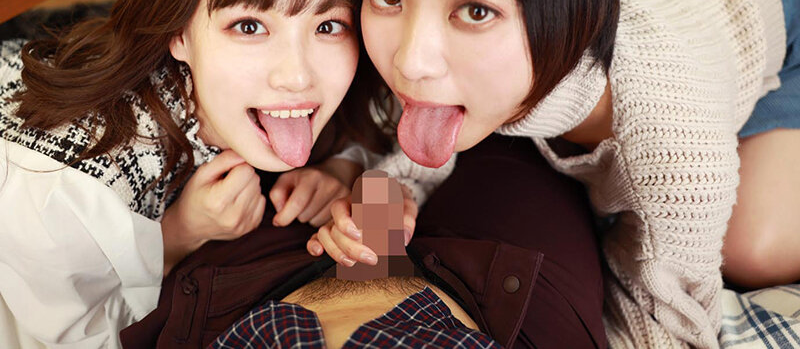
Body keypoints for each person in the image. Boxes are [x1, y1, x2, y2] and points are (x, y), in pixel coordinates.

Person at [308, 0, 800, 349]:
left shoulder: (674, 141)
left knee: (752, 250)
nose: (411, 62)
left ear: (571, 13)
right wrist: (379, 206)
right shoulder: (422, 45)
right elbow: (401, 149)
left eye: (475, 10)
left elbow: (669, 321)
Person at [0, 0, 386, 348]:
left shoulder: (331, 80)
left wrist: (340, 168)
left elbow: (385, 119)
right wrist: (177, 236)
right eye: (249, 26)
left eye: (327, 25)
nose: (298, 76)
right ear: (177, 34)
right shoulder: (63, 189)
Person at [119, 133, 605, 349]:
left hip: (258, 277)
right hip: (504, 291)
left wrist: (179, 233)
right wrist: (367, 186)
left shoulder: (195, 297)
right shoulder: (549, 307)